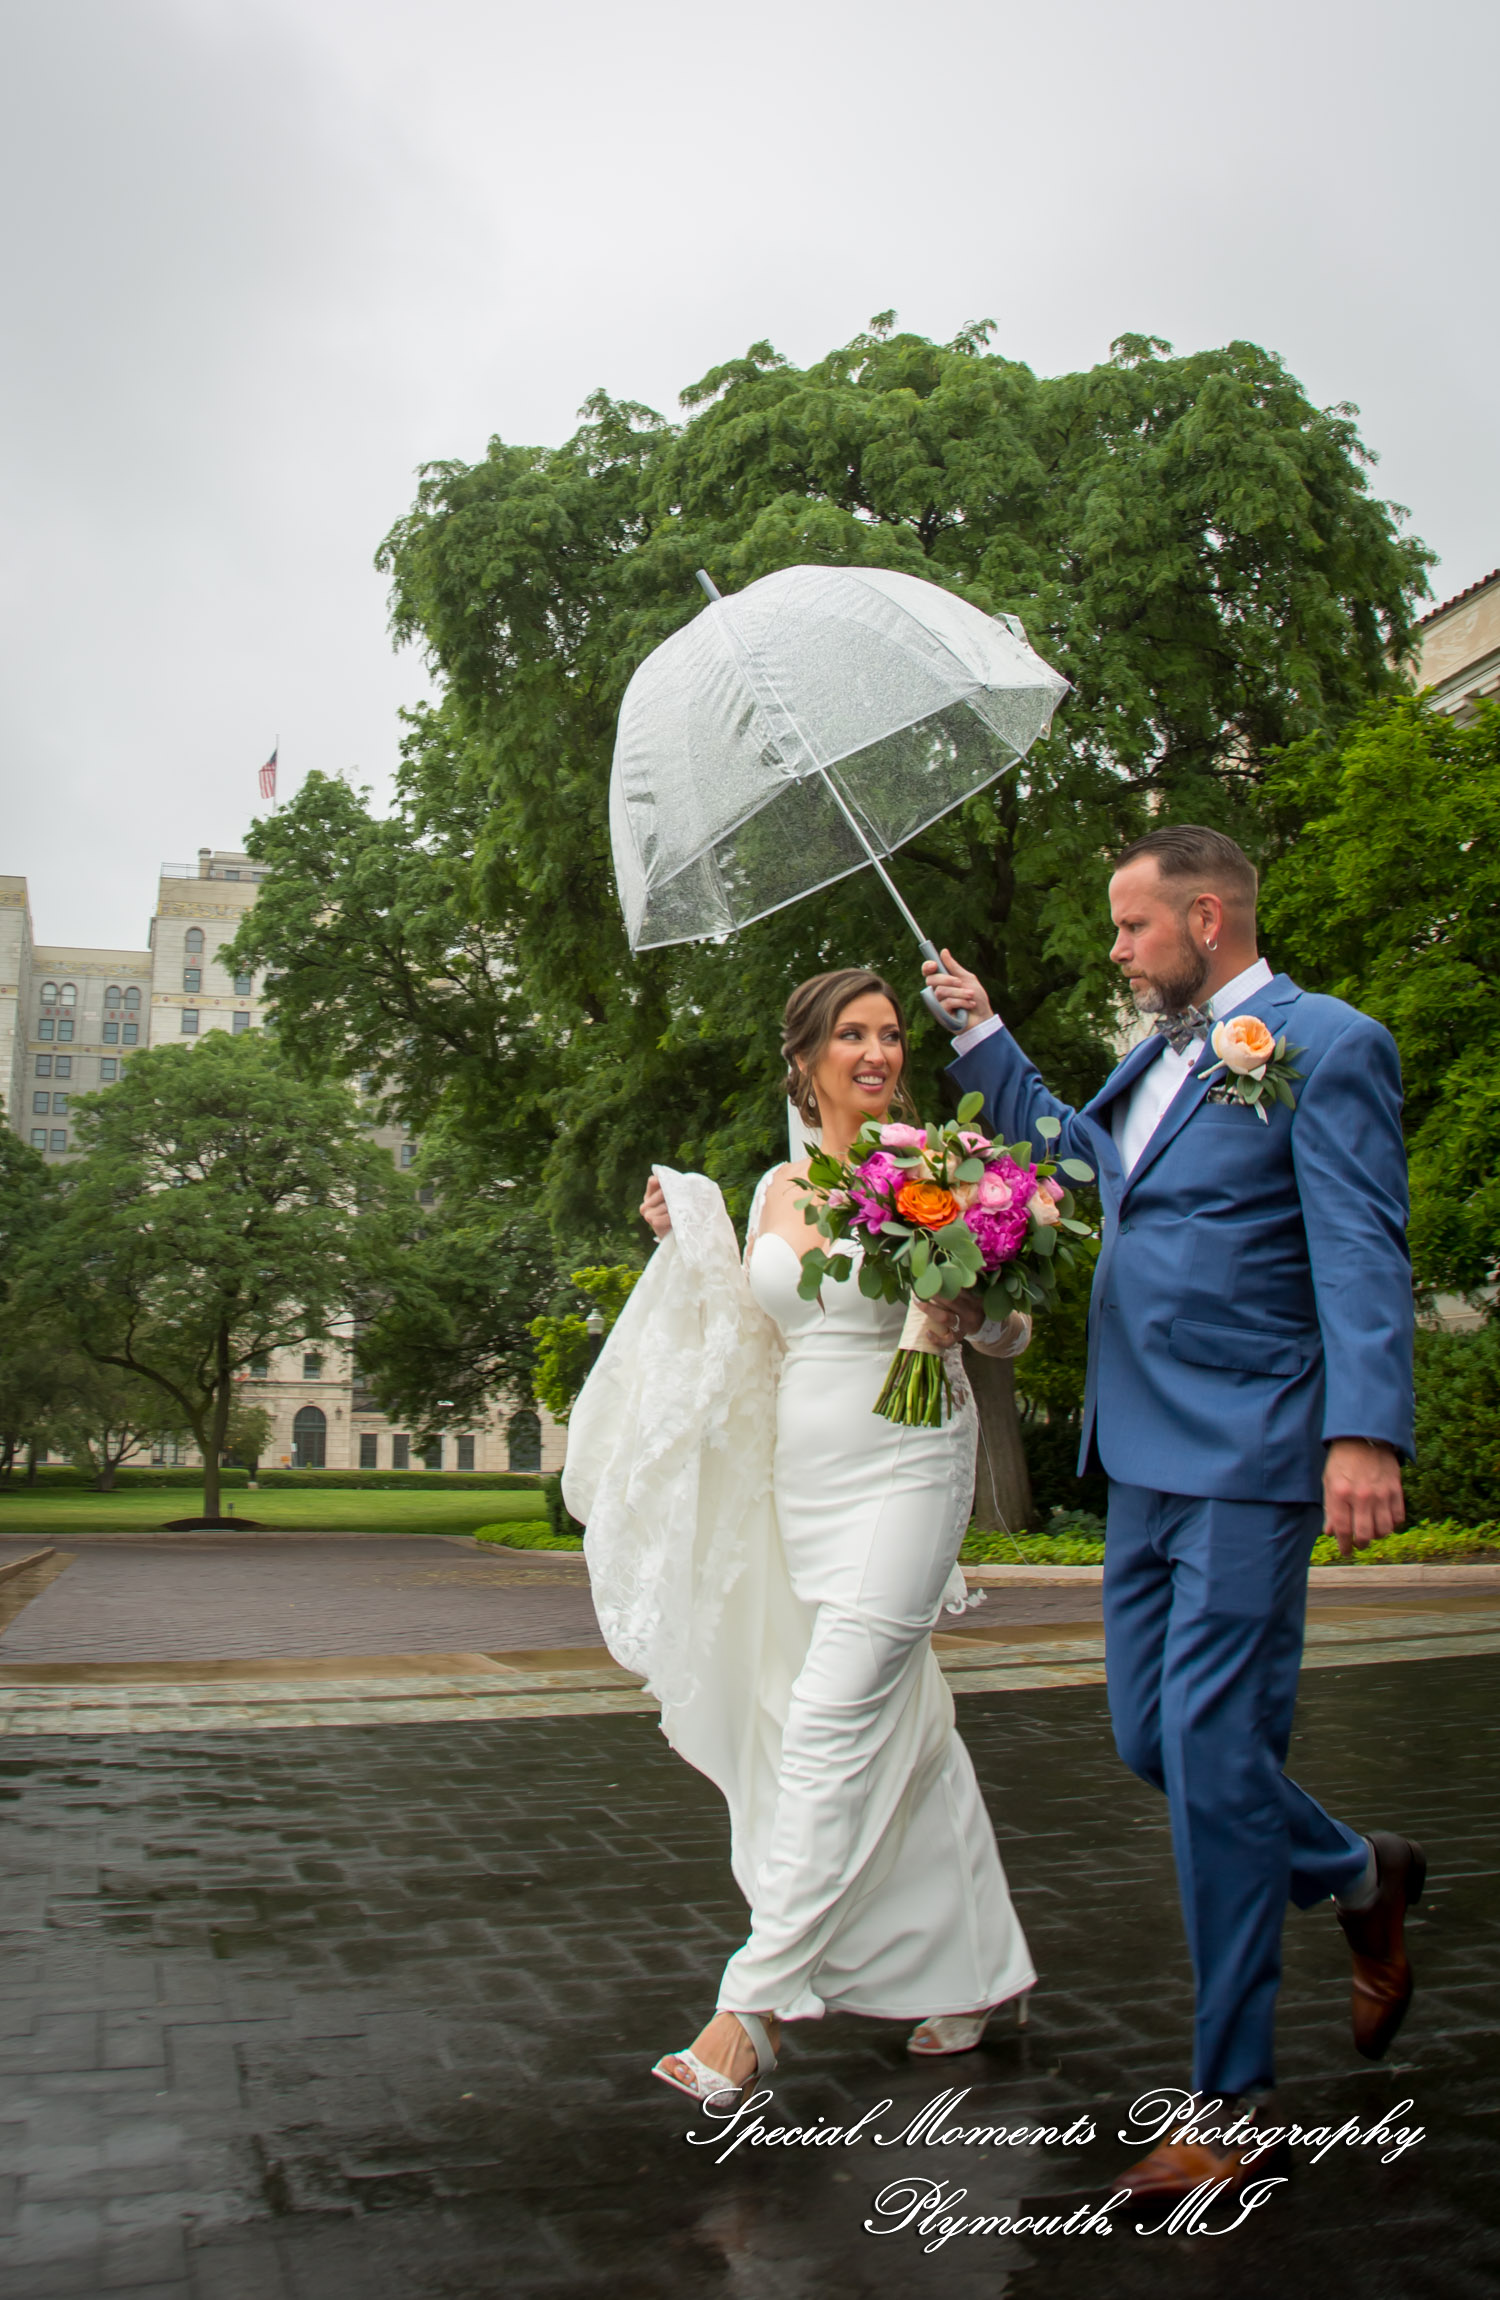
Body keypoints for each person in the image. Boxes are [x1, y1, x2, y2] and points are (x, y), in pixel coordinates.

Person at [924, 825, 1424, 2200]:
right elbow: (1083, 1171)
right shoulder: (1159, 1055)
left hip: (1259, 1446)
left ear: (1208, 918)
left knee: (1209, 1740)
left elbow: (1362, 1240)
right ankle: (1355, 1874)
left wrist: (1364, 1429)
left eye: (1131, 927)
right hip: (1142, 1448)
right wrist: (983, 1037)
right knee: (1153, 1738)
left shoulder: (1328, 1043)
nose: (1117, 948)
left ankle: (1230, 2104)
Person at [567, 968, 1035, 2105]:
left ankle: (755, 2008)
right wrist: (689, 1243)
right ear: (807, 1056)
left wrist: (975, 1313)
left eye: (888, 1034)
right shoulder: (780, 1184)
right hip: (804, 1478)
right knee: (898, 1714)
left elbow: (1017, 1321)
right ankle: (979, 1969)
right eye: (852, 1034)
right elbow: (753, 1329)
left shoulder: (941, 1162)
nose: (877, 1051)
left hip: (912, 1459)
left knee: (830, 1717)